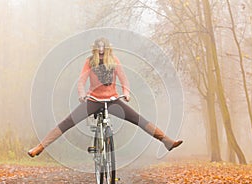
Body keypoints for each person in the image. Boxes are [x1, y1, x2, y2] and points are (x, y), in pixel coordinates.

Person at [28, 37, 182, 157]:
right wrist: (82, 95)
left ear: (108, 49)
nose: (101, 51)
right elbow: (81, 81)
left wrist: (126, 93)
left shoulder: (114, 61)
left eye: (103, 48)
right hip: (94, 100)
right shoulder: (89, 61)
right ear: (95, 50)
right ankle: (40, 147)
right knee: (68, 122)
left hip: (112, 100)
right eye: (98, 49)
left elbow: (124, 79)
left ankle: (166, 141)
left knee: (139, 120)